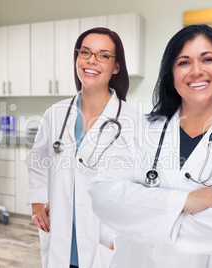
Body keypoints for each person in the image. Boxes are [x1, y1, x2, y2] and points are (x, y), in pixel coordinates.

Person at [88, 24, 212, 268]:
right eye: (184, 62)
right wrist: (183, 202)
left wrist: (143, 214)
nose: (196, 71)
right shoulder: (139, 130)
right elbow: (103, 197)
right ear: (171, 75)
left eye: (207, 59)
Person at [26, 27, 139, 268]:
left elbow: (140, 189)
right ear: (77, 58)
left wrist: (121, 241)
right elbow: (37, 161)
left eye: (103, 55)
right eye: (85, 52)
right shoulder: (55, 114)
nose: (91, 60)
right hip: (60, 237)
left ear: (116, 66)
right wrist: (37, 204)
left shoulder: (134, 121)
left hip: (104, 241)